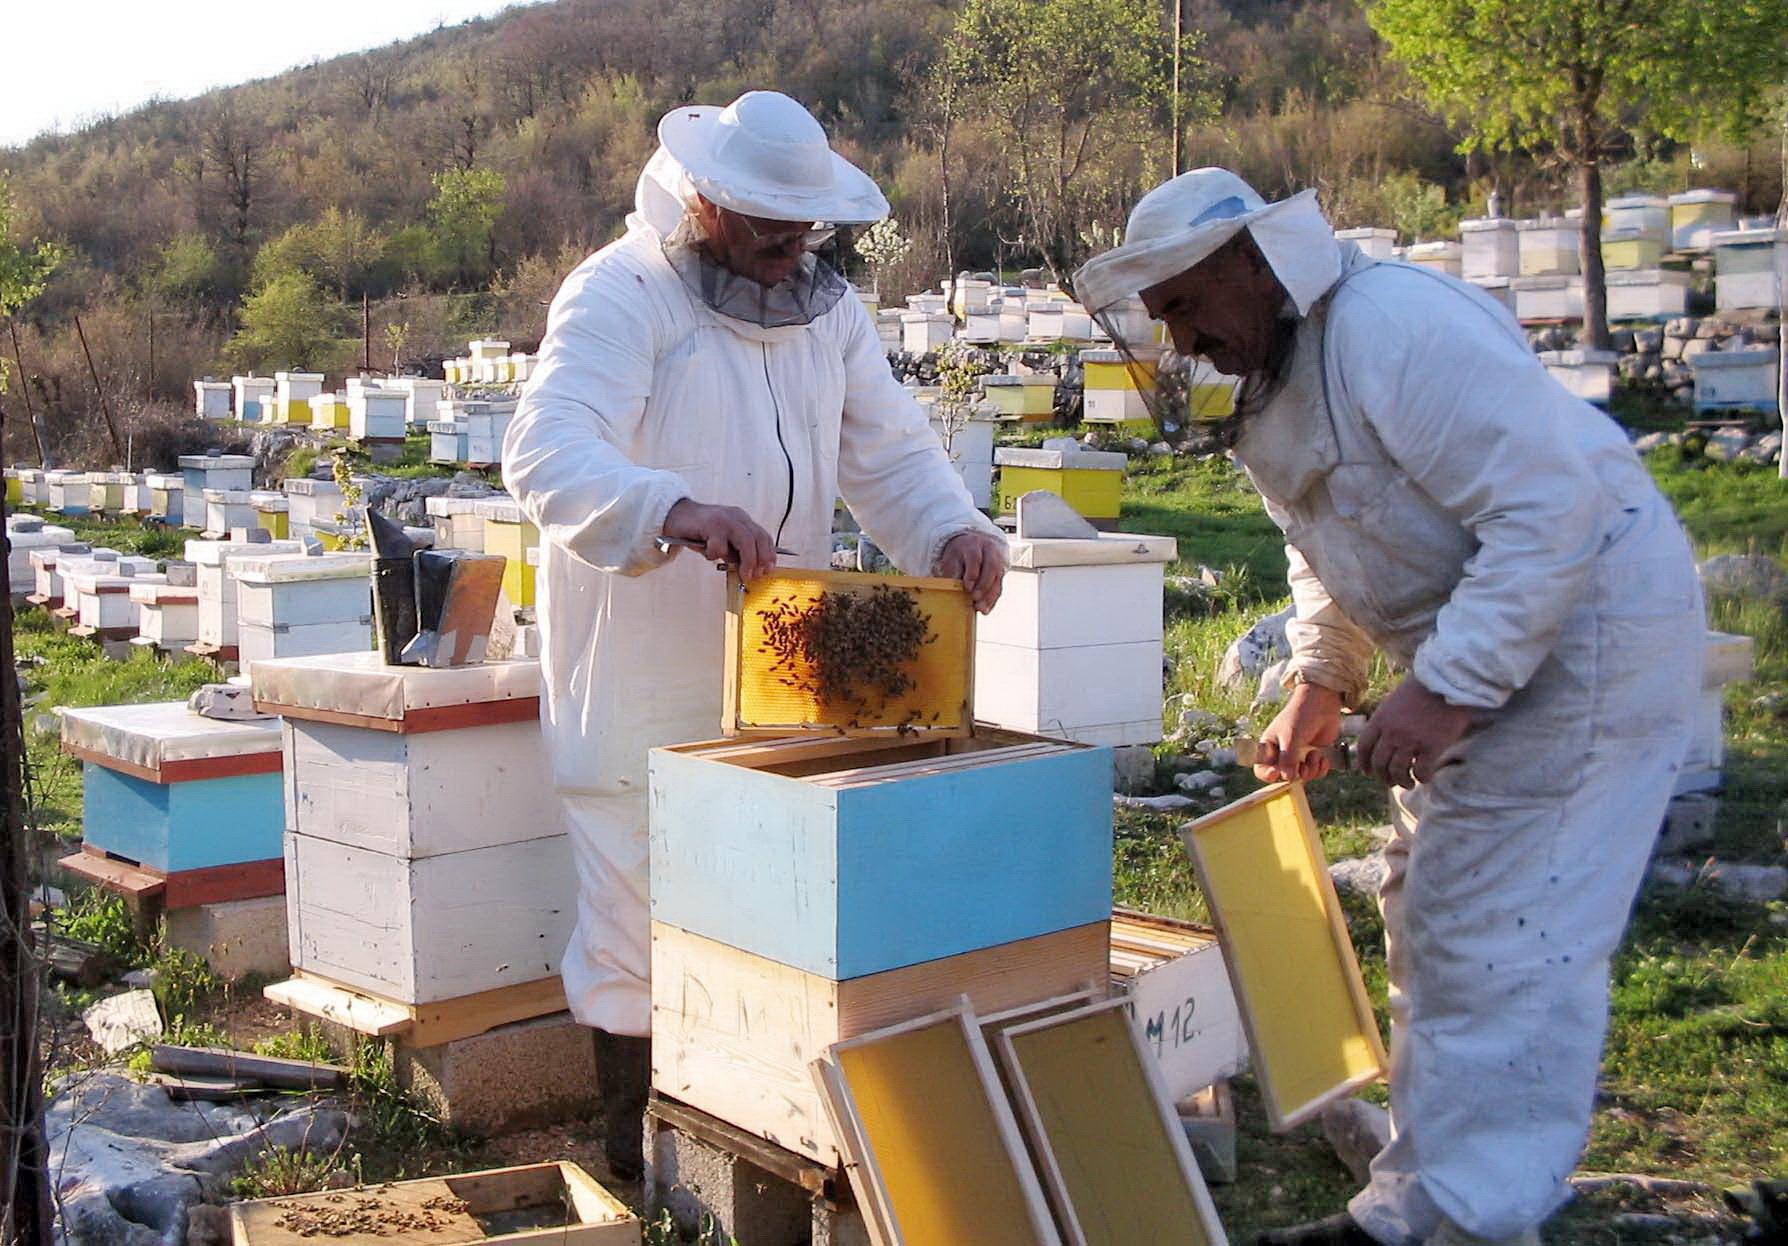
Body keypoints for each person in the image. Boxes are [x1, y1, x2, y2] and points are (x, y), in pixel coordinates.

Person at [1074, 170, 1702, 1246]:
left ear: (1253, 264)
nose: (1178, 340)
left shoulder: (1394, 329)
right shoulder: (1285, 369)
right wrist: (1324, 677)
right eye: (1161, 316)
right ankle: (1429, 1199)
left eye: (1182, 305)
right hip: (1503, 637)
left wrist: (1448, 688)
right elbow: (1331, 538)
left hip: (1589, 639)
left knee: (1503, 932)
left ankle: (1464, 1216)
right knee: (1433, 906)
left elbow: (1553, 510)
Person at [501, 91, 1005, 1179]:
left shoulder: (829, 315)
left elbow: (894, 455)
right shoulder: (620, 293)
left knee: (765, 923)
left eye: (805, 234)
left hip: (783, 687)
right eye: (768, 234)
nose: (789, 258)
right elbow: (545, 451)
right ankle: (636, 1159)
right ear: (703, 205)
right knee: (636, 935)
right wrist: (671, 512)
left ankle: (745, 1143)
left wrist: (954, 531)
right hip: (638, 681)